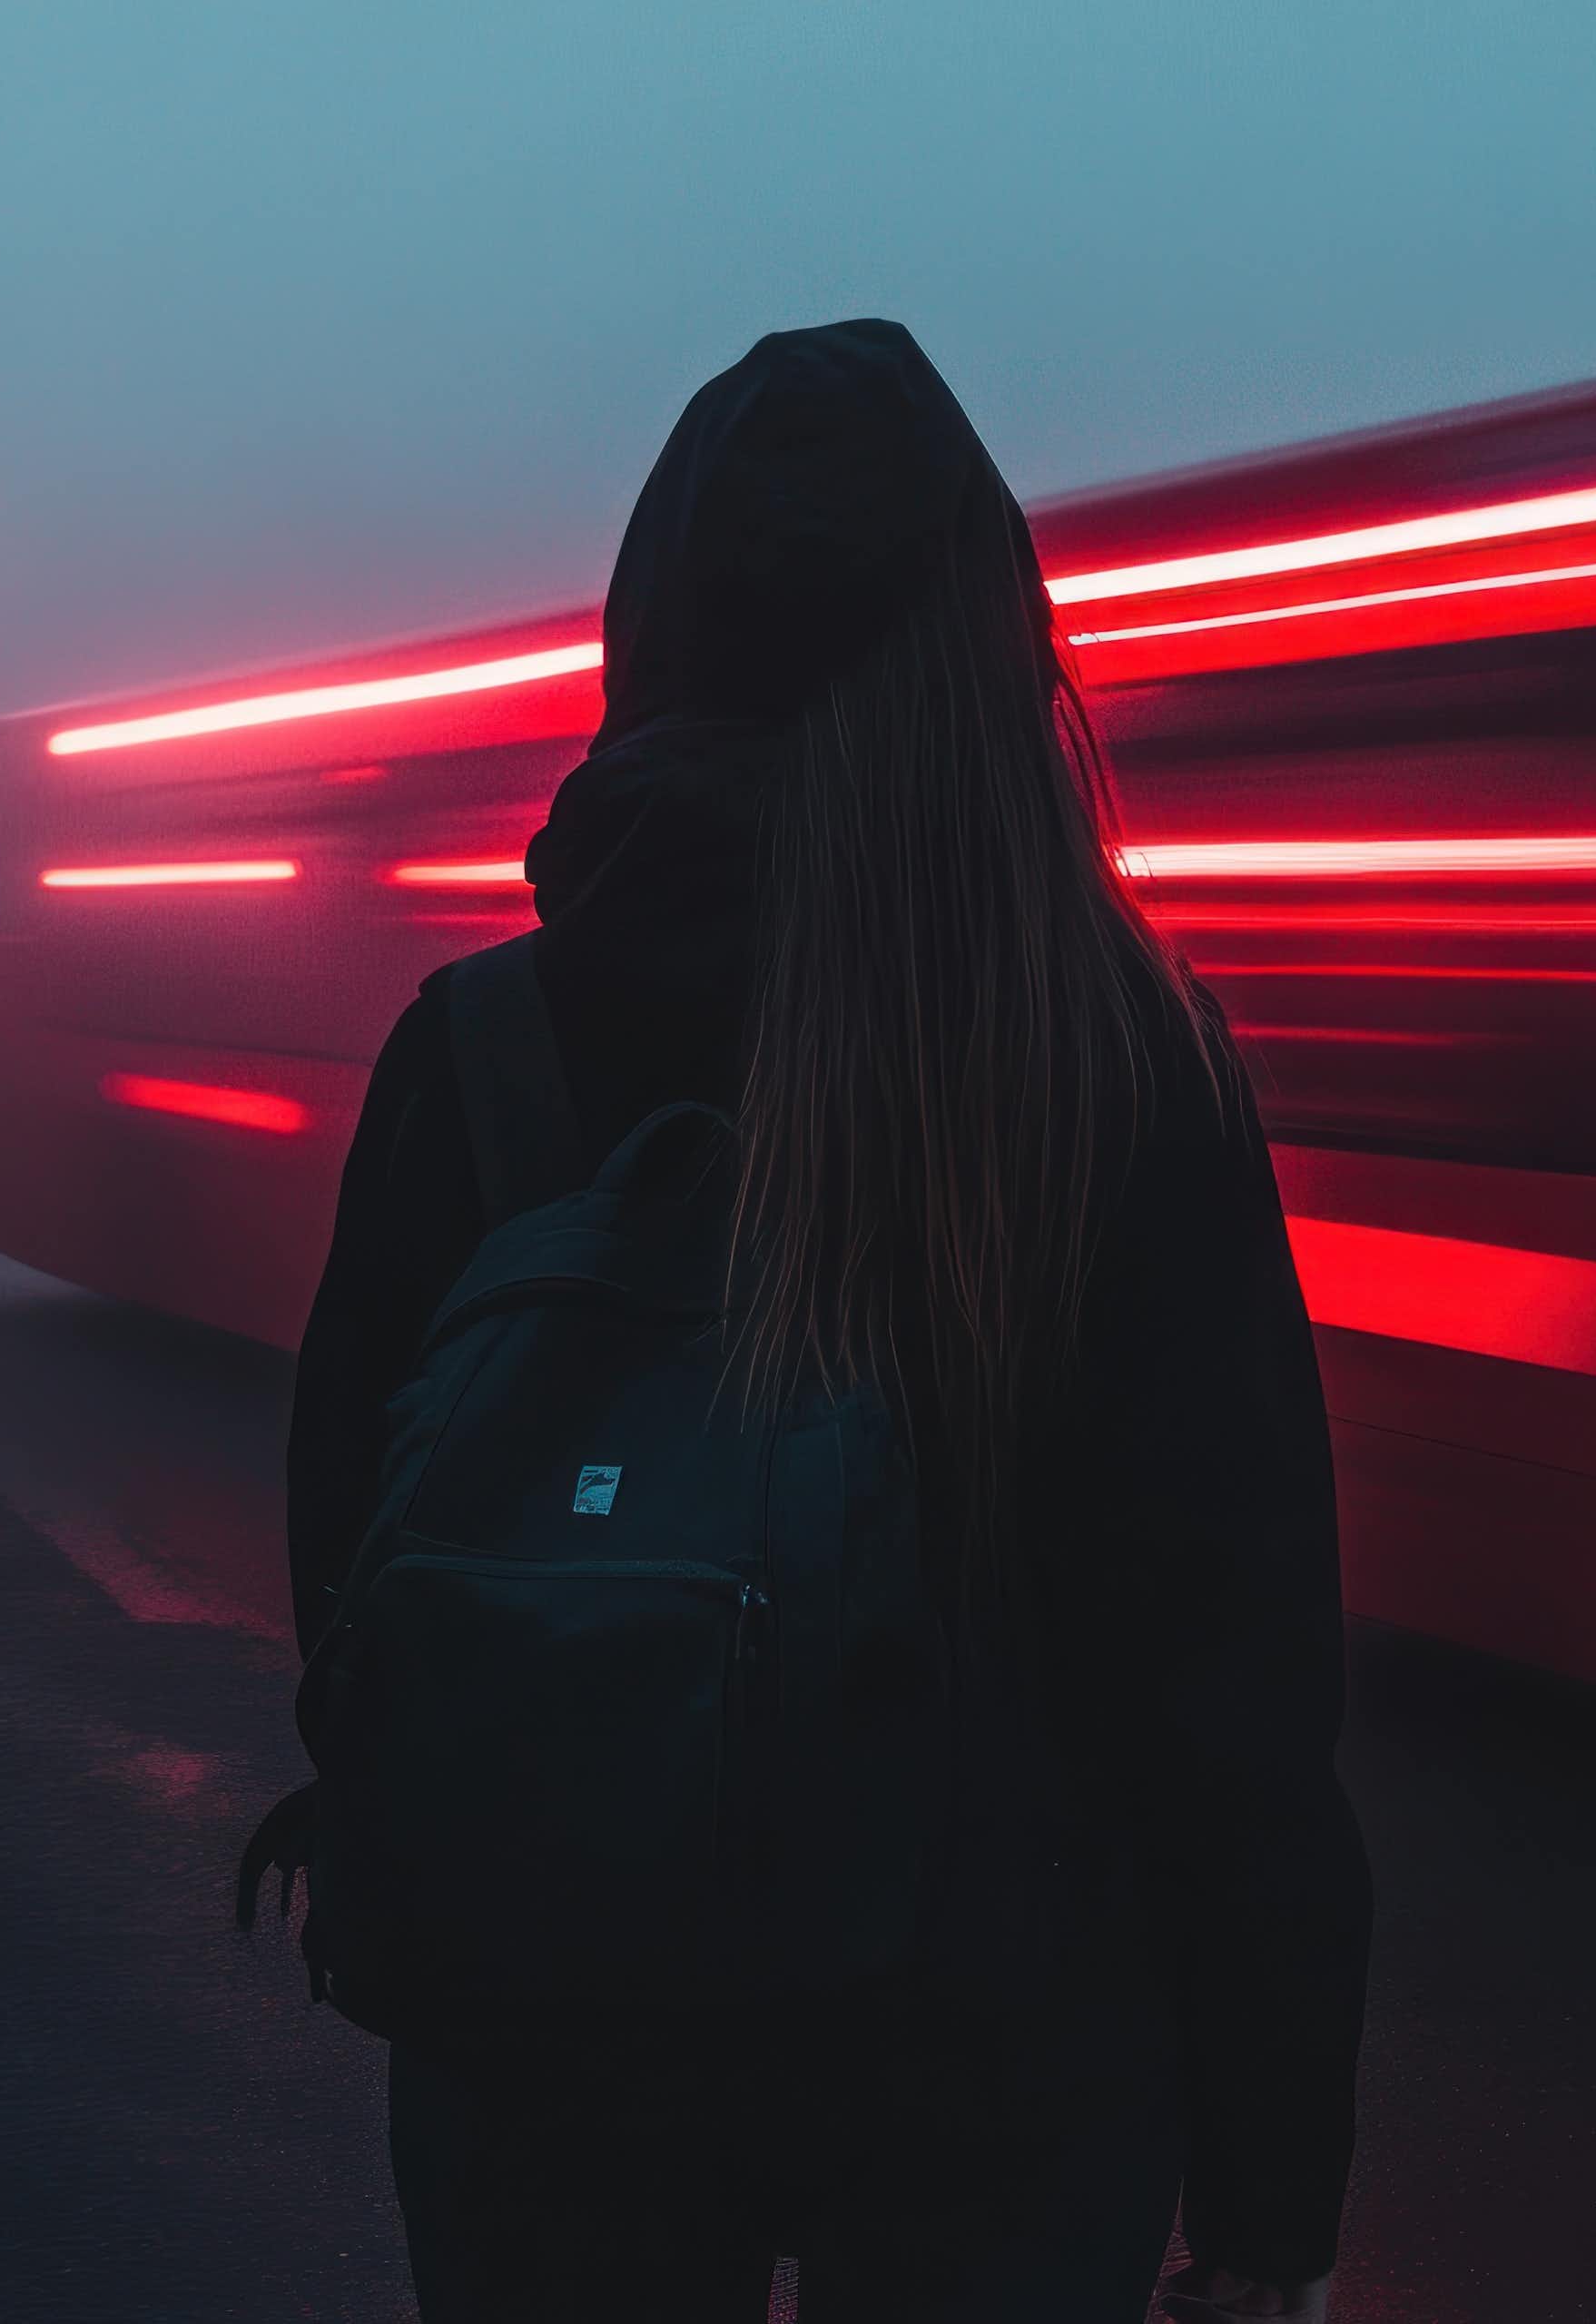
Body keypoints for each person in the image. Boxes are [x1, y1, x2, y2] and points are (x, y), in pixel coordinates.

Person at [284, 319, 1373, 2323]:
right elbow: (1231, 1683)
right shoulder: (1116, 1061)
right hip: (1001, 2067)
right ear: (987, 637)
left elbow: (355, 1567)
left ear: (649, 622)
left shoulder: (482, 1052)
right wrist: (1265, 2204)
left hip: (552, 2042)